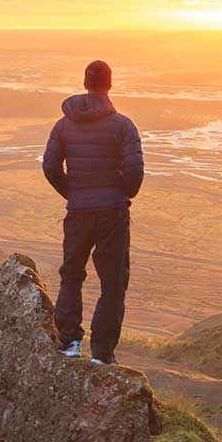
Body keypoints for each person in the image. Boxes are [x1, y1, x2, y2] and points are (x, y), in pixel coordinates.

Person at [42, 59, 144, 365]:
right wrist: (123, 192)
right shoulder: (123, 125)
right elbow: (135, 171)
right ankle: (102, 354)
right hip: (113, 212)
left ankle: (70, 342)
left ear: (85, 83)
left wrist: (74, 193)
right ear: (109, 84)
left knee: (71, 275)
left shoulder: (63, 125)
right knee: (112, 282)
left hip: (79, 213)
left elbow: (49, 167)